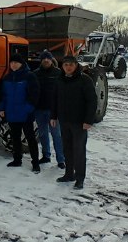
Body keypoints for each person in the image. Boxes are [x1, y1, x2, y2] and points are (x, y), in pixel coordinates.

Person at [51, 55, 97, 190]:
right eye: (66, 65)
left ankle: (79, 178)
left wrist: (88, 120)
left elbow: (92, 101)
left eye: (71, 65)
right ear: (62, 67)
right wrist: (53, 116)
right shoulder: (59, 80)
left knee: (79, 151)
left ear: (76, 65)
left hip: (79, 122)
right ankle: (69, 174)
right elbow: (54, 99)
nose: (68, 67)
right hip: (64, 121)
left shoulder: (84, 80)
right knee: (67, 149)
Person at [0, 53, 41, 173]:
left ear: (21, 64)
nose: (13, 65)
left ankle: (35, 162)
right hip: (12, 113)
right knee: (15, 138)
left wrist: (28, 109)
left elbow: (35, 94)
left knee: (30, 138)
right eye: (11, 63)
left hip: (25, 114)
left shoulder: (29, 76)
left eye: (16, 62)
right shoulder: (7, 78)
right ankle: (17, 159)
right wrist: (1, 108)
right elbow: (3, 95)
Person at [33, 50, 65, 169]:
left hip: (53, 111)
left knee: (56, 134)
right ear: (41, 60)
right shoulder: (36, 74)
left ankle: (61, 159)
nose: (46, 60)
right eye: (44, 58)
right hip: (39, 109)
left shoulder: (58, 73)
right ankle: (46, 156)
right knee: (42, 134)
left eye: (48, 58)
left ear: (52, 60)